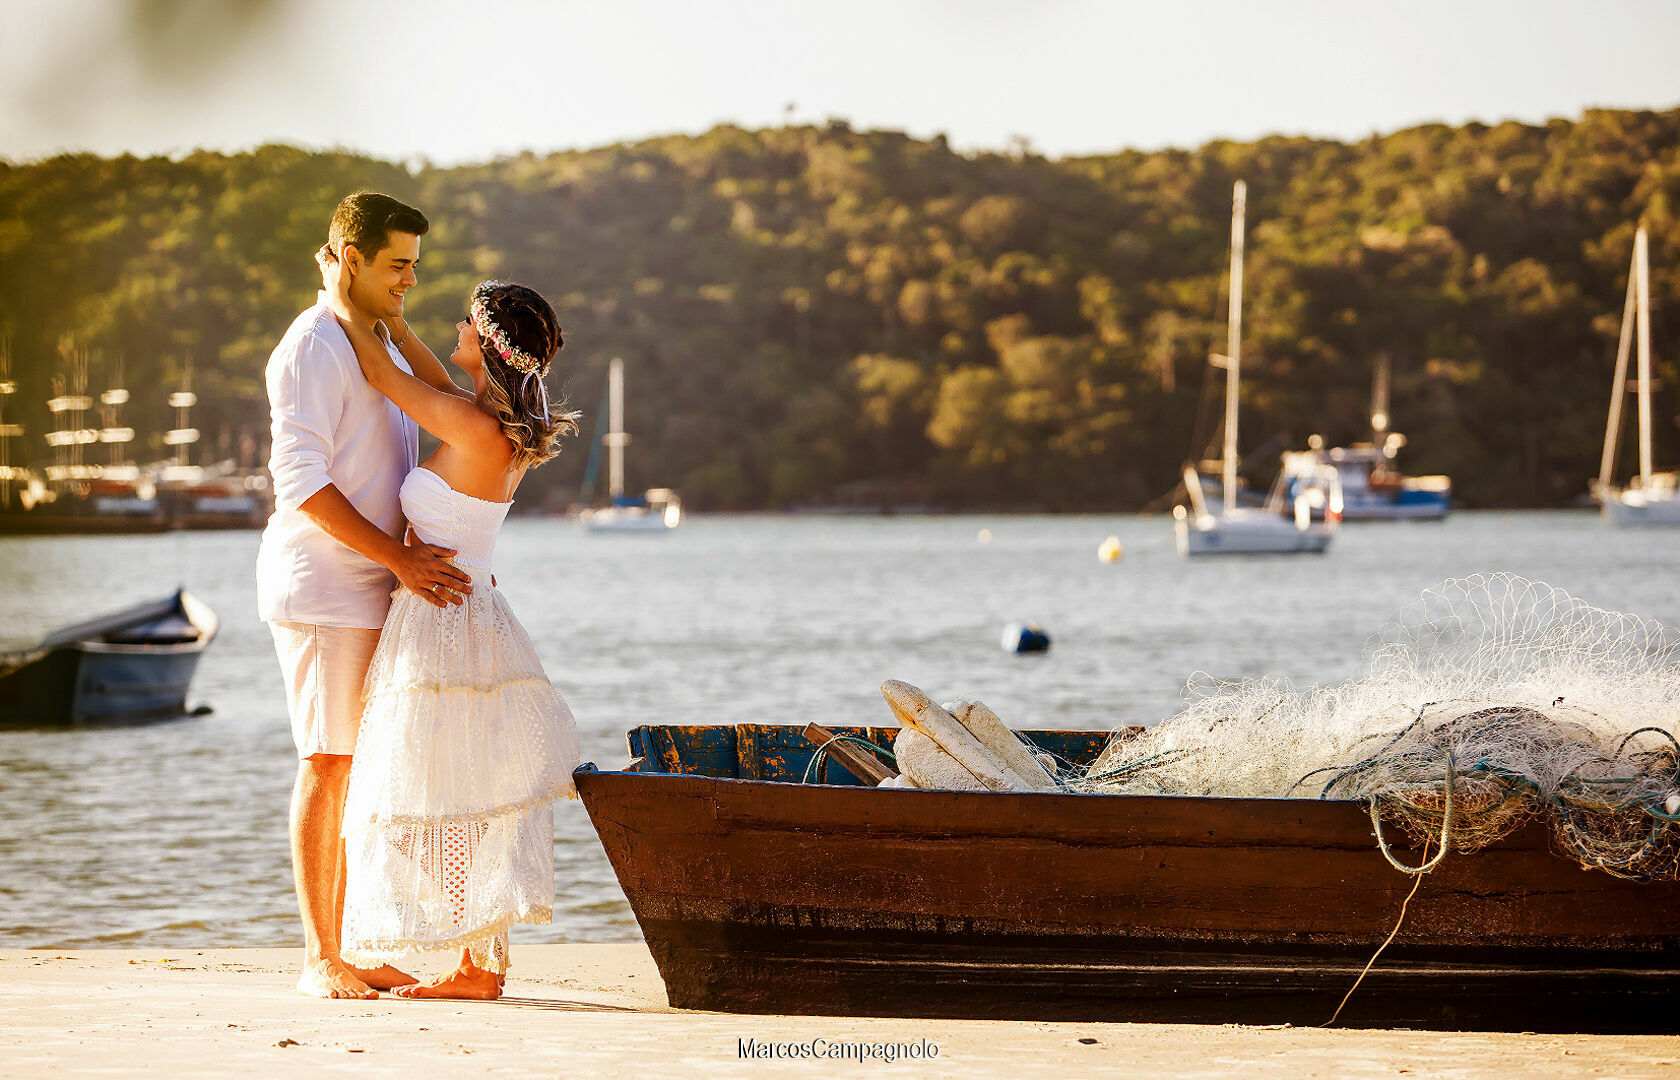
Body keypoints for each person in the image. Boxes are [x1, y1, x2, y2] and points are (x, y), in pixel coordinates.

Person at [318, 253, 583, 1001]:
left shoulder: (471, 423)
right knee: (458, 787)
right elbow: (433, 380)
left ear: (491, 344)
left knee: (429, 791)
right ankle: (480, 962)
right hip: (468, 613)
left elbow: (382, 375)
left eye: (468, 320)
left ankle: (476, 963)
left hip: (442, 621)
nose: (457, 326)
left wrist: (349, 298)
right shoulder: (496, 425)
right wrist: (394, 316)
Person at [257, 191, 477, 1000]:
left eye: (416, 266)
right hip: (324, 591)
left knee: (369, 768)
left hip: (379, 586)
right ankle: (323, 956)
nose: (410, 280)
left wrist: (401, 565)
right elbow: (300, 484)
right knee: (328, 761)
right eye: (396, 265)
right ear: (349, 257)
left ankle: (354, 943)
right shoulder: (314, 344)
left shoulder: (371, 337)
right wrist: (402, 560)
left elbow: (449, 403)